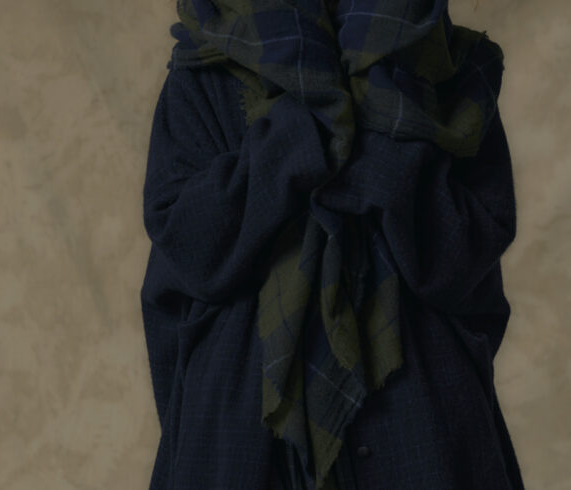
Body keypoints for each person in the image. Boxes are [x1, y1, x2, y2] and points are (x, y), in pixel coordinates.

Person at [140, 1, 524, 488]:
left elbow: (468, 265)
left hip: (422, 425)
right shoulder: (203, 72)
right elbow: (188, 250)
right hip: (243, 428)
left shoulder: (445, 65)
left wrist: (378, 158)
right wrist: (299, 138)